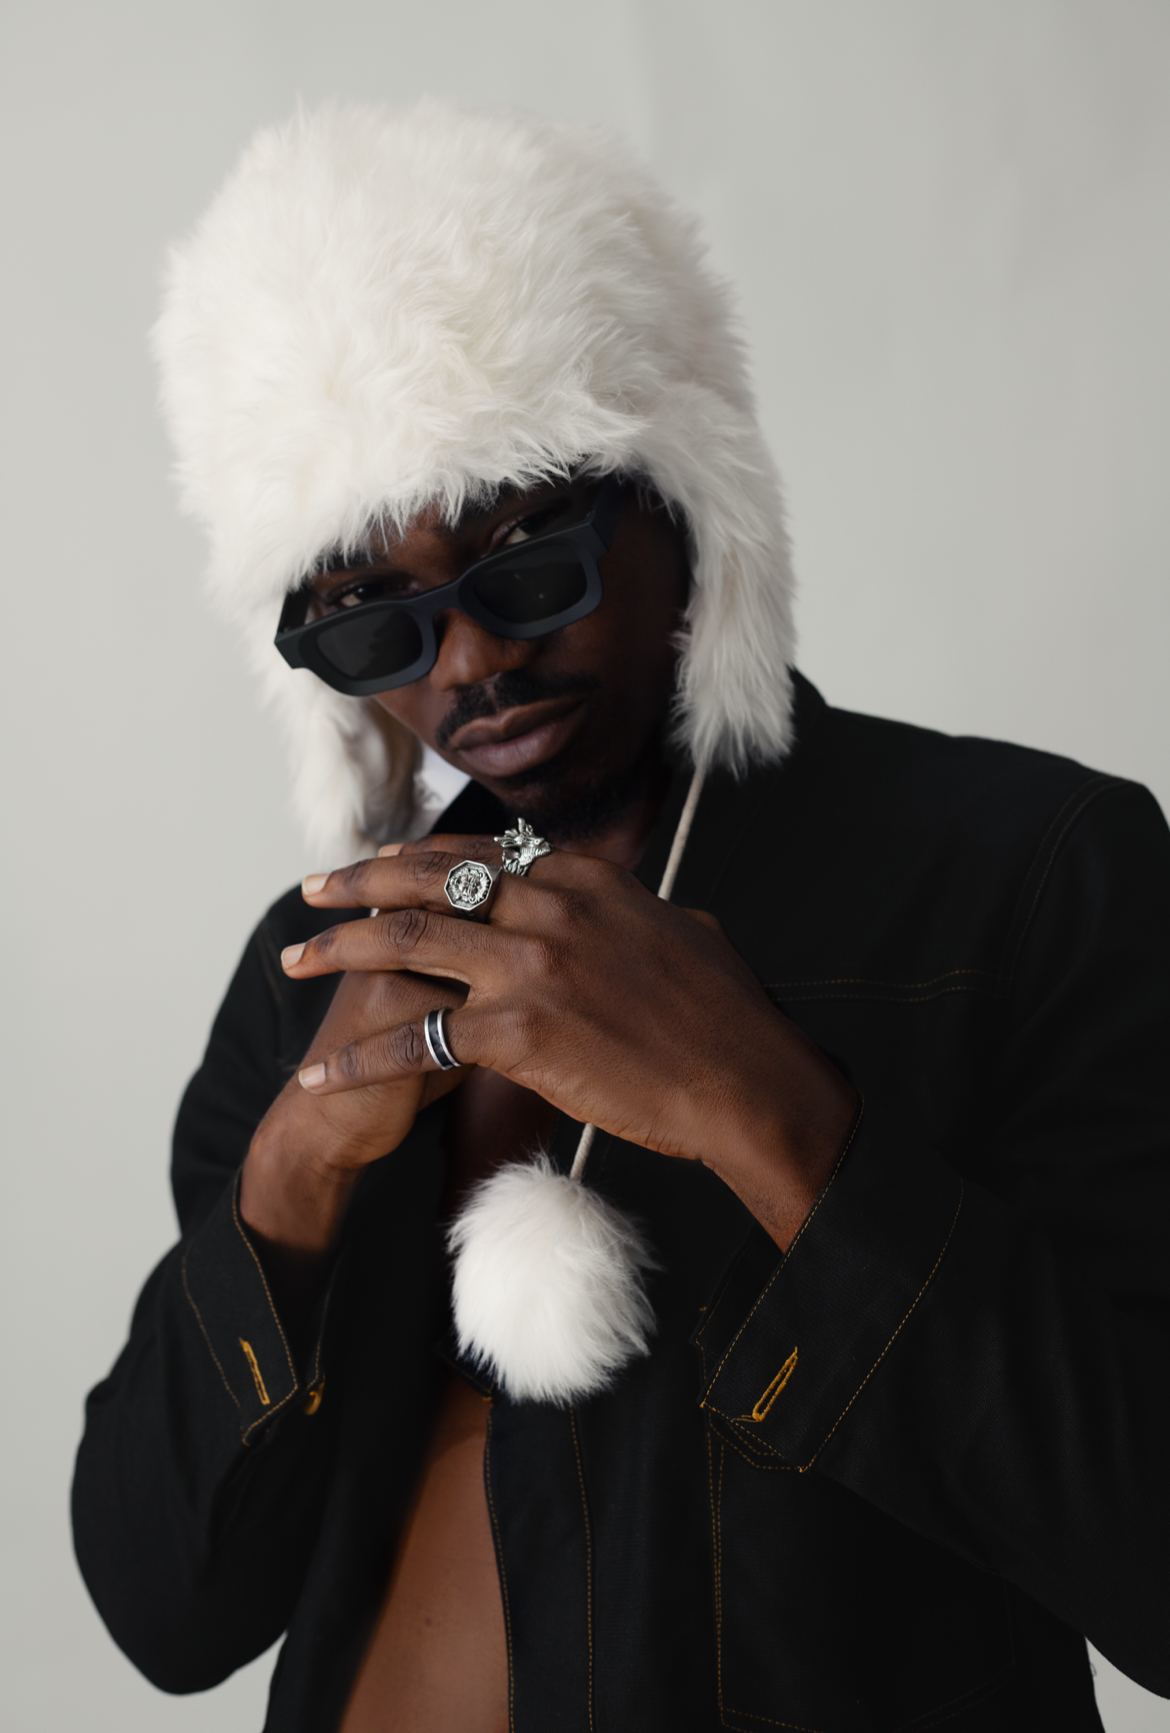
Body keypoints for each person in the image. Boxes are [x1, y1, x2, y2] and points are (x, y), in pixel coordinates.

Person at [72, 102, 1170, 1733]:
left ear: (680, 501)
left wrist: (768, 1112)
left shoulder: (1027, 873)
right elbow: (164, 1609)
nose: (468, 662)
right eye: (374, 619)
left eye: (526, 559)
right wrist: (295, 1169)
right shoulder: (318, 970)